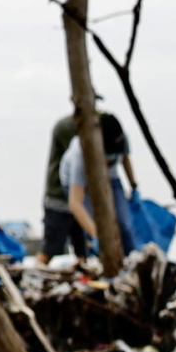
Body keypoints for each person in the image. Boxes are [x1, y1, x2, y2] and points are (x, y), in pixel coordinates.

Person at [40, 108, 124, 260]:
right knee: (50, 249)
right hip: (59, 194)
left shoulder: (108, 132)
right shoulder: (72, 134)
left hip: (82, 192)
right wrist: (99, 236)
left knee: (82, 251)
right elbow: (75, 201)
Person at [57, 115, 135, 259]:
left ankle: (131, 259)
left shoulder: (120, 139)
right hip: (83, 184)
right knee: (96, 225)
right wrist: (97, 235)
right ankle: (99, 259)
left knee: (125, 223)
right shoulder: (79, 155)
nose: (111, 161)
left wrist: (134, 186)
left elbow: (125, 159)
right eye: (107, 158)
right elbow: (75, 204)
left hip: (111, 179)